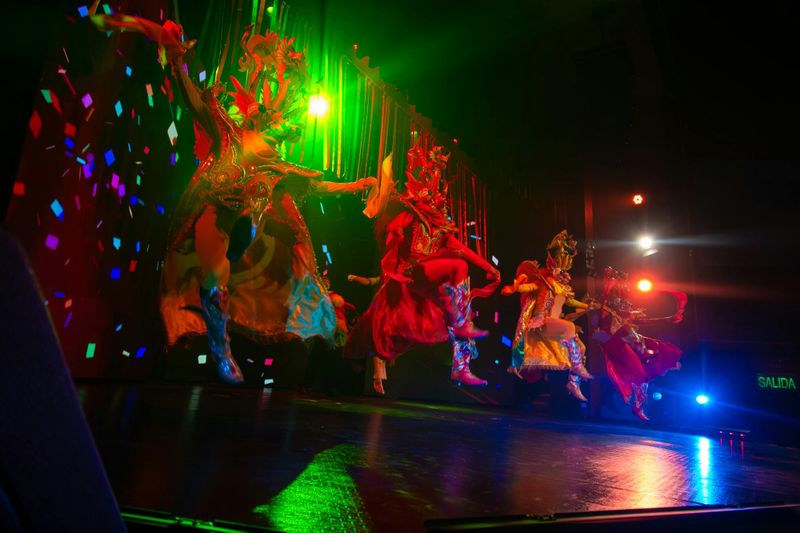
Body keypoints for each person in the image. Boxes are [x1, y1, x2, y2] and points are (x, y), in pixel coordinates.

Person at [90, 6, 376, 384]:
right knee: (213, 272)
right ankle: (219, 344)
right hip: (212, 207)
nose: (271, 117)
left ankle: (238, 270)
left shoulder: (275, 163)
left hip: (245, 222)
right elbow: (192, 97)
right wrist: (175, 56)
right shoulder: (226, 128)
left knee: (246, 237)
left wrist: (356, 186)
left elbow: (316, 185)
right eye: (265, 109)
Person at [345, 143, 500, 392]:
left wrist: (487, 268)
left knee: (455, 308)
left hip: (427, 280)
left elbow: (465, 249)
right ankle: (376, 368)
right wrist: (393, 236)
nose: (436, 196)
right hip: (411, 273)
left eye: (438, 192)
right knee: (457, 268)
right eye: (431, 189)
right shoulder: (411, 216)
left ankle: (461, 366)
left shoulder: (441, 229)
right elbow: (392, 231)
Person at [501, 230, 594, 401]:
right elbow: (527, 287)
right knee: (570, 327)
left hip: (555, 324)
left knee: (581, 348)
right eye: (561, 259)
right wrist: (514, 288)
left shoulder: (562, 286)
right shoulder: (541, 281)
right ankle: (577, 367)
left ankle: (573, 383)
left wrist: (587, 306)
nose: (563, 265)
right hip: (541, 322)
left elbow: (570, 302)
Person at [588, 267, 686, 420]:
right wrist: (609, 281)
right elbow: (605, 303)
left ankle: (638, 406)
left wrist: (667, 319)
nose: (624, 301)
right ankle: (644, 354)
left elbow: (643, 321)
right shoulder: (605, 307)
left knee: (648, 366)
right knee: (630, 337)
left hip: (628, 342)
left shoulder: (623, 312)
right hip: (614, 341)